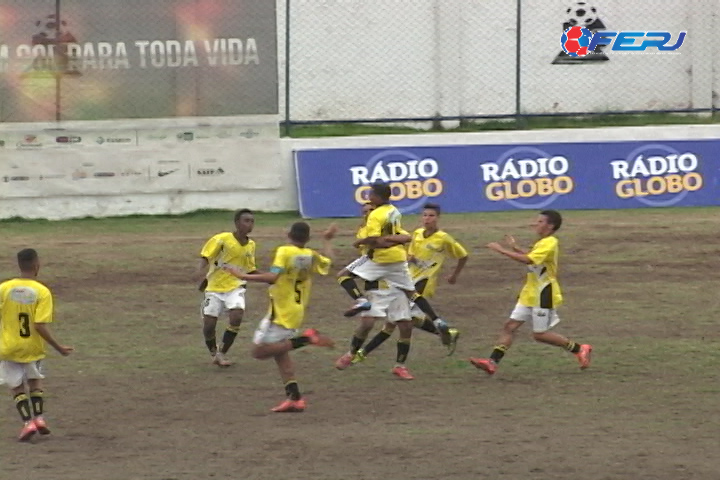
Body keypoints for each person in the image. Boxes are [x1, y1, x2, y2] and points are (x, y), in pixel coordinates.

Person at [223, 222, 337, 413]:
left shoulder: (284, 251)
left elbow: (273, 277)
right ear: (307, 239)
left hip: (281, 311)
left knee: (258, 352)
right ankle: (295, 399)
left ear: (288, 234)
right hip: (296, 310)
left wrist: (241, 275)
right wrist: (327, 240)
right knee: (280, 355)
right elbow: (329, 262)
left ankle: (307, 339)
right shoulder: (311, 255)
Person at [469, 210, 592, 375]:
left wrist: (501, 250)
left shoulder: (550, 242)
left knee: (539, 335)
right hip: (529, 293)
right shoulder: (542, 242)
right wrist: (515, 248)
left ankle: (580, 349)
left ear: (550, 226)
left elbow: (529, 260)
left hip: (543, 294)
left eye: (540, 221)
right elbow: (533, 259)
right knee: (509, 327)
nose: (536, 224)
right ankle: (492, 363)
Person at [338, 183, 452, 344]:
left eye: (369, 208)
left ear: (376, 197)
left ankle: (361, 303)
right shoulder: (393, 211)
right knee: (409, 298)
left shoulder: (375, 219)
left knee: (344, 278)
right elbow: (404, 237)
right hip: (395, 263)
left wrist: (363, 242)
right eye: (364, 211)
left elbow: (375, 241)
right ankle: (437, 321)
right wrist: (391, 241)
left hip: (378, 264)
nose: (367, 212)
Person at [354, 203, 467, 355]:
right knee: (408, 320)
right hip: (407, 280)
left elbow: (463, 255)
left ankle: (360, 354)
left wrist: (454, 275)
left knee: (392, 323)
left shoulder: (444, 238)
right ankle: (448, 333)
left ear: (438, 218)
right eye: (425, 215)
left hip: (424, 283)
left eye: (431, 216)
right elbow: (410, 254)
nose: (427, 219)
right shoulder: (417, 233)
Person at [0, 248, 73, 442]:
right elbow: (39, 325)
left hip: (8, 347)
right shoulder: (42, 291)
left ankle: (27, 423)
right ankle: (39, 419)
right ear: (36, 265)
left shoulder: (4, 288)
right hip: (33, 347)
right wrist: (59, 348)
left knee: (16, 387)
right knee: (35, 382)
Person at [193, 208, 258, 367]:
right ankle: (214, 353)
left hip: (236, 287)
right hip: (214, 288)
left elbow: (250, 269)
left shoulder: (251, 245)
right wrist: (199, 272)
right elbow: (206, 256)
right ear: (237, 223)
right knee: (209, 326)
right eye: (246, 221)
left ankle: (222, 353)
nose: (250, 224)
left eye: (252, 221)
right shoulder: (221, 239)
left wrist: (270, 278)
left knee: (236, 316)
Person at [335, 281, 416, 379]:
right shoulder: (372, 265)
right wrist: (360, 298)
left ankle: (400, 366)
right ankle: (352, 353)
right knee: (367, 324)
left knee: (406, 327)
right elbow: (345, 275)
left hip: (397, 292)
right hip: (375, 292)